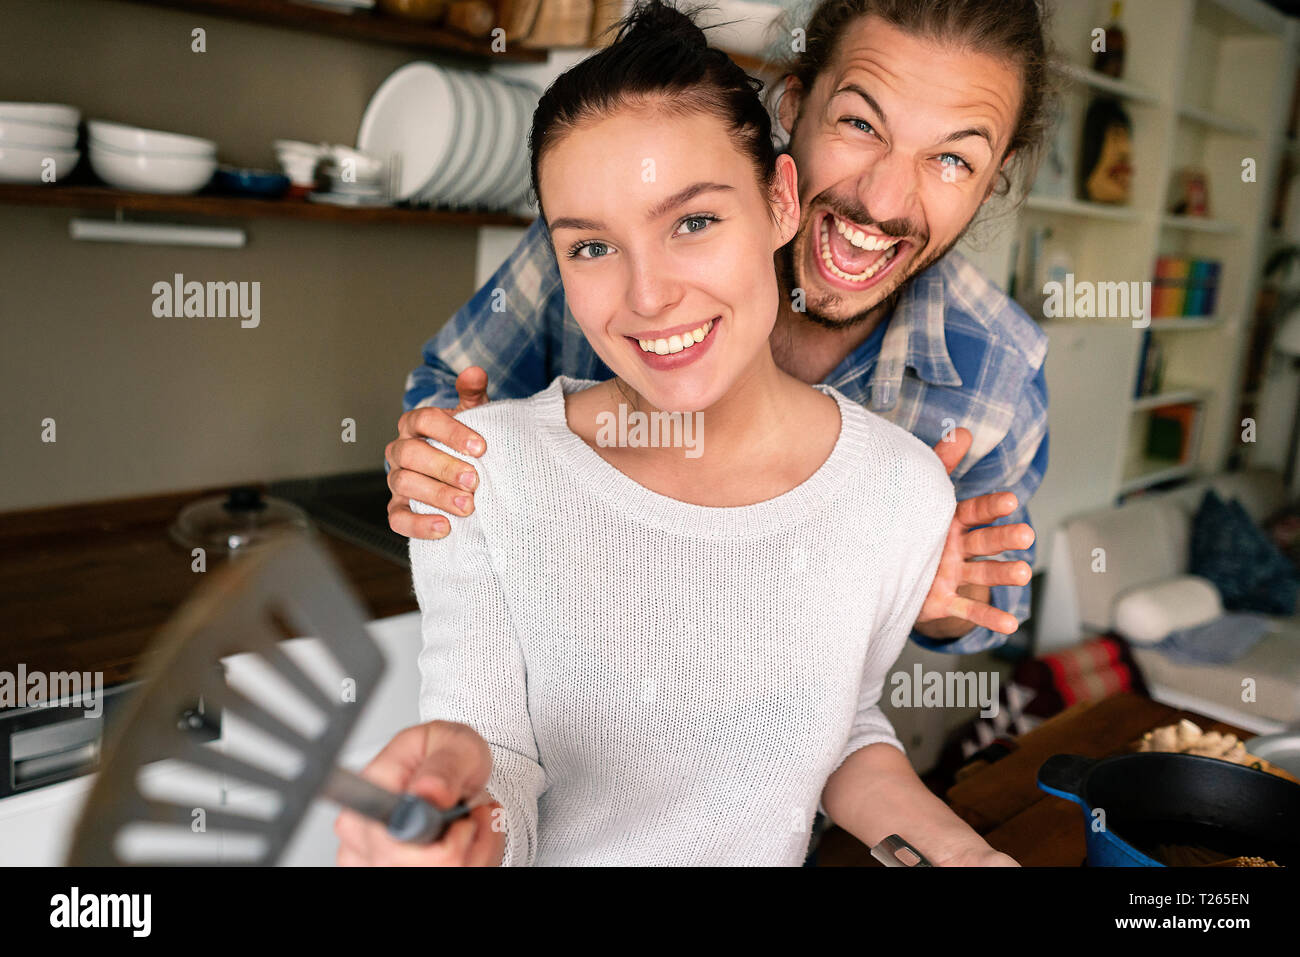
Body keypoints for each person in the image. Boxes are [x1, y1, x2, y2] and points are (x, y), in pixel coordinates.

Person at [337, 0, 1018, 867]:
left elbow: (840, 726)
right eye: (590, 247)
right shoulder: (480, 472)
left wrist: (964, 856)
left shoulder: (903, 489)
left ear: (780, 202)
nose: (648, 295)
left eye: (693, 222)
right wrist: (461, 828)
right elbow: (494, 757)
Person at [386, 0, 1051, 653]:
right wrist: (446, 459)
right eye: (859, 123)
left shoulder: (998, 370)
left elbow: (986, 602)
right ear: (793, 106)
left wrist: (936, 601)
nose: (881, 201)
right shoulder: (603, 242)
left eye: (953, 160)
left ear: (995, 179)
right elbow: (449, 389)